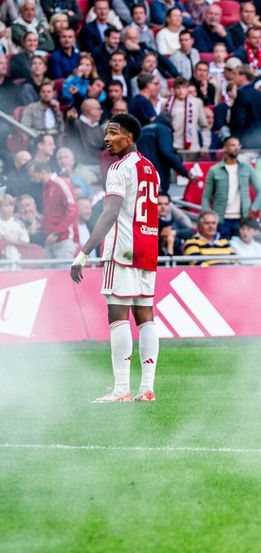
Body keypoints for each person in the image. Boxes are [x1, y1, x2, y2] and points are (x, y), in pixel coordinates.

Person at [68, 113, 161, 403]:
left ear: (128, 137)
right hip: (148, 248)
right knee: (145, 317)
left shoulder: (119, 168)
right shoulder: (151, 170)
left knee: (117, 314)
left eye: (113, 132)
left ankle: (121, 389)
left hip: (122, 248)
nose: (107, 138)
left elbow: (110, 213)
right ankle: (147, 388)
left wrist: (83, 252)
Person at [200, 135, 261, 238]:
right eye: (232, 145)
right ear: (225, 148)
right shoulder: (214, 170)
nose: (236, 148)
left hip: (242, 219)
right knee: (222, 251)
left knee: (240, 251)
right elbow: (206, 196)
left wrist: (253, 209)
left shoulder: (246, 167)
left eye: (238, 145)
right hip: (220, 219)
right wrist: (207, 216)